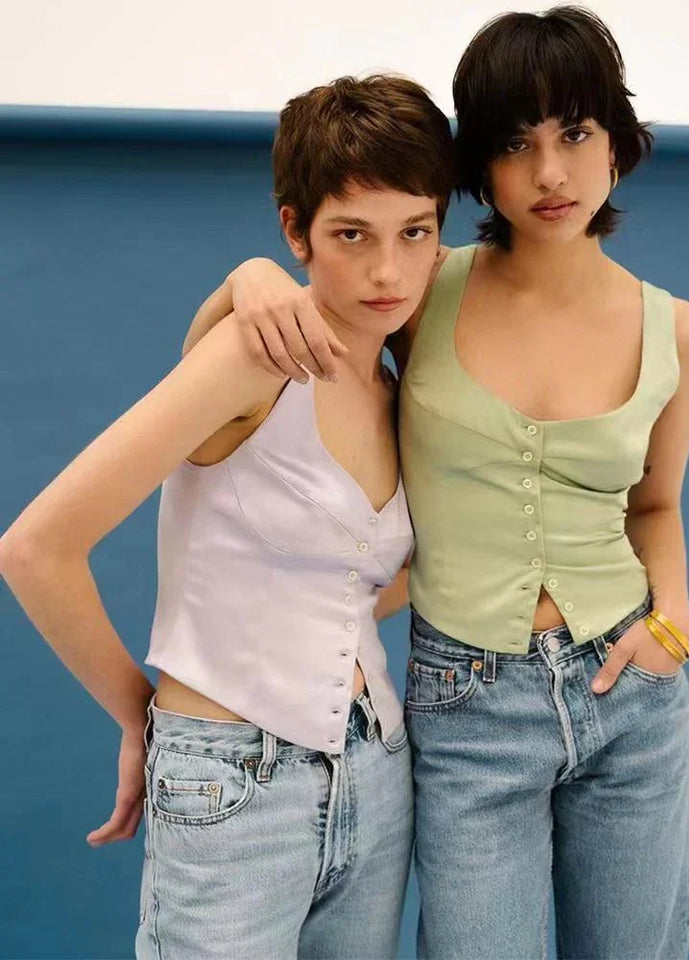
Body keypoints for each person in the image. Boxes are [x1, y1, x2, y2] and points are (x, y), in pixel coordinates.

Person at [180, 7, 689, 959]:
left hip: (632, 698)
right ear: (479, 162)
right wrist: (244, 276)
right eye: (515, 142)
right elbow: (284, 320)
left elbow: (658, 504)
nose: (550, 174)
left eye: (577, 133)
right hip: (467, 706)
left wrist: (670, 622)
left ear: (619, 143)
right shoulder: (421, 289)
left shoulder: (683, 336)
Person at [0, 74, 455, 958]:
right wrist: (145, 719)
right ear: (295, 231)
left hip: (376, 768)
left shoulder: (399, 383)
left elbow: (347, 591)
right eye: (350, 234)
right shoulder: (250, 356)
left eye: (416, 232)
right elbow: (35, 549)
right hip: (230, 785)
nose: (387, 270)